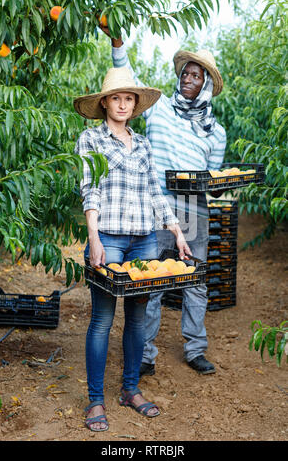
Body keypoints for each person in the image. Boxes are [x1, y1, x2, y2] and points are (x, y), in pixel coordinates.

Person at [100, 26, 227, 376]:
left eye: (196, 75)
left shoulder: (215, 132)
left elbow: (212, 179)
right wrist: (117, 43)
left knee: (195, 281)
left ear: (206, 85)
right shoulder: (159, 110)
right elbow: (127, 81)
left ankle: (195, 348)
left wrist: (219, 186)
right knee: (151, 282)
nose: (188, 78)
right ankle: (144, 354)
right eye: (185, 72)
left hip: (194, 213)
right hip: (155, 210)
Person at [73, 66, 192, 432]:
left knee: (138, 318)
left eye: (129, 98)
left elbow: (155, 193)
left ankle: (129, 389)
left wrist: (177, 231)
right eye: (116, 97)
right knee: (103, 319)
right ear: (104, 102)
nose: (122, 104)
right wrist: (93, 237)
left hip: (143, 239)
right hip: (108, 236)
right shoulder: (90, 140)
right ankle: (95, 400)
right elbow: (89, 188)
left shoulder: (142, 144)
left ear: (134, 104)